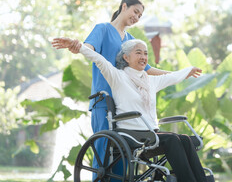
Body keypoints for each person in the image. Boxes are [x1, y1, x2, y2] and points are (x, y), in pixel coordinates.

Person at [52, 38, 208, 182]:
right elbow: (98, 59)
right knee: (173, 139)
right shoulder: (117, 77)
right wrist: (78, 46)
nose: (143, 57)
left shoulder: (150, 81)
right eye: (138, 52)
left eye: (145, 53)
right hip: (130, 133)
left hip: (151, 132)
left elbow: (173, 77)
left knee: (187, 139)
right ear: (126, 57)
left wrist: (189, 70)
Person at [52, 0, 168, 181]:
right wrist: (76, 46)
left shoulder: (131, 40)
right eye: (135, 11)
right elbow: (88, 48)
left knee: (124, 155)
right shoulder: (103, 29)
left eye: (140, 15)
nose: (137, 17)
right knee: (104, 152)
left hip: (126, 105)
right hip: (104, 102)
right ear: (124, 6)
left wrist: (177, 74)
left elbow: (147, 69)